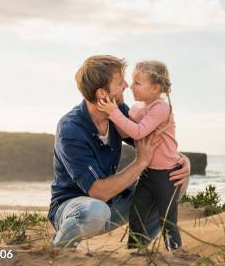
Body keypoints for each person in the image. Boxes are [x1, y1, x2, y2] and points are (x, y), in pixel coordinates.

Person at [48, 55, 190, 249]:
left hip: (111, 203)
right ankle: (59, 247)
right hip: (74, 209)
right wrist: (140, 163)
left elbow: (152, 142)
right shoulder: (70, 130)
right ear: (101, 94)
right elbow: (98, 192)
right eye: (119, 82)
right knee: (96, 211)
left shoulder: (119, 111)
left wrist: (182, 161)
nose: (126, 86)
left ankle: (139, 248)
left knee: (173, 178)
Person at [97, 60, 182, 251]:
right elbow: (126, 133)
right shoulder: (136, 109)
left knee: (167, 219)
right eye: (132, 82)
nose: (131, 87)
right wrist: (116, 113)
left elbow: (138, 132)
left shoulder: (161, 108)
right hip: (147, 174)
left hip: (166, 176)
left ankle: (175, 254)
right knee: (137, 214)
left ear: (155, 88)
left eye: (137, 83)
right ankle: (134, 253)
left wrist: (114, 112)